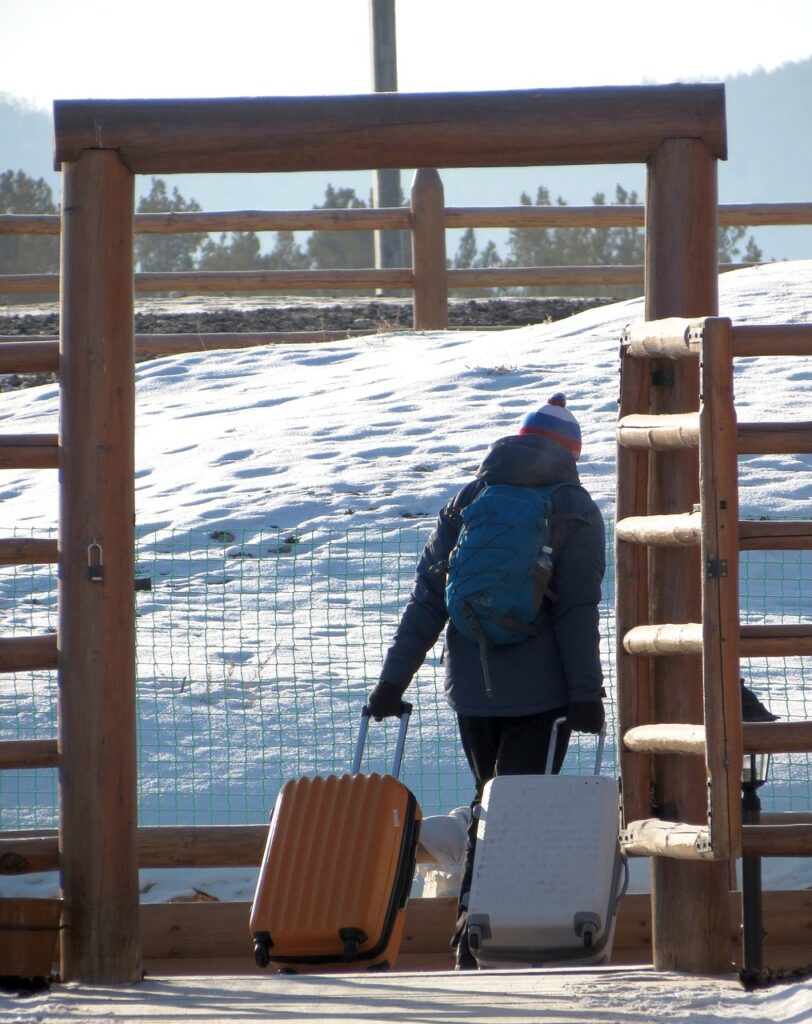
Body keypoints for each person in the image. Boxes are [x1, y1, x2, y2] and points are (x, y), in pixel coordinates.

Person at [367, 393, 606, 970]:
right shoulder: (574, 507)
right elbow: (576, 611)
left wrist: (391, 683)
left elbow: (428, 600)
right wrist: (585, 695)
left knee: (491, 801)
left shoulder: (467, 500)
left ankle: (478, 931)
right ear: (569, 452)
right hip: (544, 693)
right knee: (514, 809)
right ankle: (483, 937)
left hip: (471, 689)